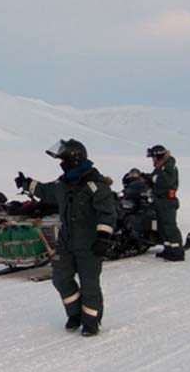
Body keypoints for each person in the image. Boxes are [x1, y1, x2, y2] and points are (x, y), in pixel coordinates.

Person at [15, 139, 116, 336]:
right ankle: (75, 313)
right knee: (60, 278)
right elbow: (46, 191)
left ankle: (91, 321)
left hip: (89, 244)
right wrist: (28, 184)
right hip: (66, 242)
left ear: (74, 161)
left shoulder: (95, 185)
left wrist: (103, 238)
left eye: (64, 160)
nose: (61, 164)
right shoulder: (63, 183)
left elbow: (108, 214)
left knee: (90, 285)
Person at [146, 144, 185, 261]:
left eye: (153, 157)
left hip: (167, 201)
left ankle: (177, 252)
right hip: (160, 200)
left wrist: (151, 178)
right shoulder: (161, 167)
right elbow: (155, 178)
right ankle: (168, 249)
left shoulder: (169, 166)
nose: (152, 160)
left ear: (159, 156)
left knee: (169, 226)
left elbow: (164, 180)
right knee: (162, 227)